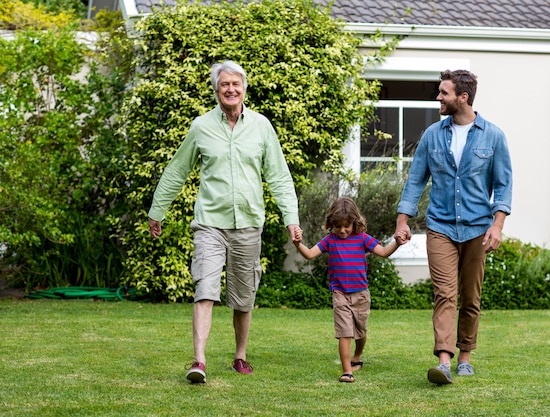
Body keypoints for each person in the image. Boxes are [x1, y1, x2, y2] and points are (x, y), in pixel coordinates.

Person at [148, 60, 300, 383]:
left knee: (244, 297)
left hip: (247, 225)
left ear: (244, 88)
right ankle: (199, 360)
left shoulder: (261, 127)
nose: (230, 89)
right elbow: (177, 170)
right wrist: (156, 210)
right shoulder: (201, 127)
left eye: (236, 84)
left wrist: (292, 219)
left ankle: (240, 355)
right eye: (224, 85)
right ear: (216, 90)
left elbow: (279, 177)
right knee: (205, 287)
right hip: (210, 224)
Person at [394, 69, 513, 385]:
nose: (438, 97)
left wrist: (497, 225)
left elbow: (503, 185)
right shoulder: (433, 135)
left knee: (471, 297)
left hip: (477, 228)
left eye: (443, 92)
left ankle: (465, 357)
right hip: (440, 227)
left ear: (463, 97)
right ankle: (443, 362)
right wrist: (403, 220)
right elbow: (416, 179)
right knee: (445, 293)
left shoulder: (493, 136)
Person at [293, 196, 404, 383]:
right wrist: (298, 244)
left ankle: (357, 356)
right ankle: (347, 371)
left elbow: (384, 252)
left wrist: (397, 243)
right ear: (331, 225)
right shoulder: (330, 240)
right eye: (338, 227)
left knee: (360, 332)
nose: (342, 231)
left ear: (355, 222)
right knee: (345, 332)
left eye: (346, 226)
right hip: (340, 294)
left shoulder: (362, 239)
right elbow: (310, 254)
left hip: (360, 293)